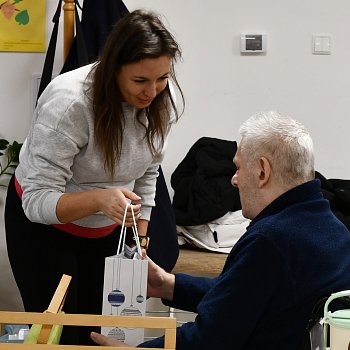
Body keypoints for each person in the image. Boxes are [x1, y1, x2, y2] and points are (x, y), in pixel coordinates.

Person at [91, 110, 350, 349]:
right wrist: (168, 285)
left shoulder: (271, 240)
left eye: (238, 167)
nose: (234, 179)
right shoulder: (331, 227)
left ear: (262, 171)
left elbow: (210, 340)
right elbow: (241, 298)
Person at [4, 9, 184, 345]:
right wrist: (100, 198)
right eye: (140, 81)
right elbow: (35, 202)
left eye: (162, 77)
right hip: (43, 230)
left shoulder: (161, 96)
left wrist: (139, 241)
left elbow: (148, 173)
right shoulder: (70, 103)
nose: (153, 91)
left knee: (100, 331)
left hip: (104, 229)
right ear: (113, 70)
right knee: (58, 335)